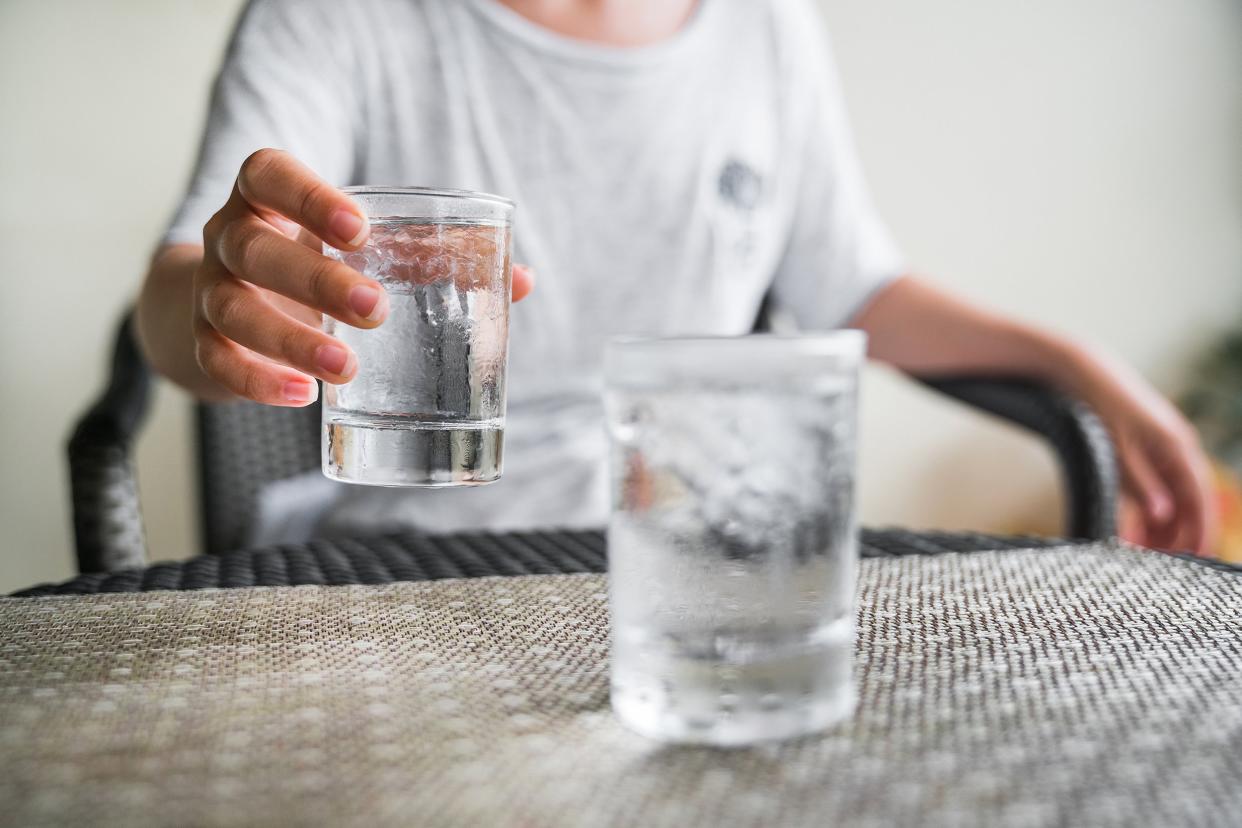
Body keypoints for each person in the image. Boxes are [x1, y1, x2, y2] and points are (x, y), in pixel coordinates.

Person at [136, 0, 1216, 554]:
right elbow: (186, 281)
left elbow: (854, 287)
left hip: (697, 543)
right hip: (419, 559)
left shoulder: (763, 24)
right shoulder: (339, 18)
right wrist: (218, 310)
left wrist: (1078, 364)